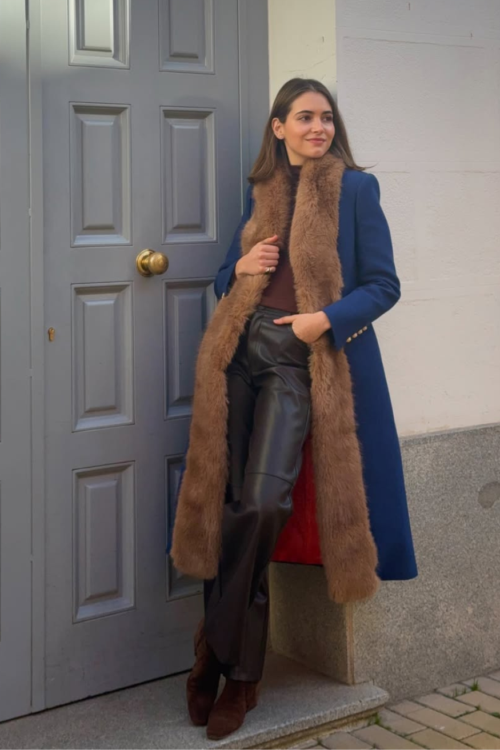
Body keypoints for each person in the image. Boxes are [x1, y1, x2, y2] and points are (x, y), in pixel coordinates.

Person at [169, 77, 418, 741]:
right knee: (229, 507)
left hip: (297, 360)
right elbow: (226, 278)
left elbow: (384, 285)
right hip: (237, 356)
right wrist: (239, 265)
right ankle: (233, 668)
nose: (318, 128)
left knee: (262, 504)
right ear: (278, 127)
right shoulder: (263, 190)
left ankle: (221, 658)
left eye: (326, 117)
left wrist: (322, 322)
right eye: (304, 117)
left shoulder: (356, 190)